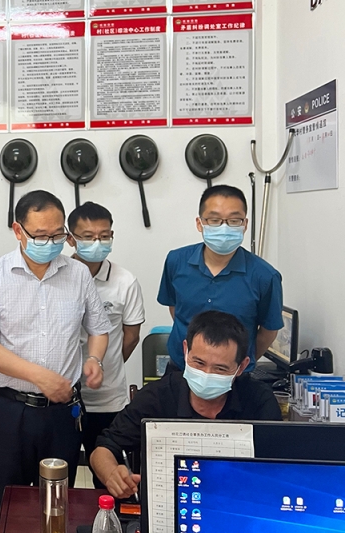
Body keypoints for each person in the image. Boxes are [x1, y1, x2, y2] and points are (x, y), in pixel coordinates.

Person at [0, 190, 113, 532]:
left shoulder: (78, 274)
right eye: (40, 236)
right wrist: (39, 376)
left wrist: (95, 358)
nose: (50, 243)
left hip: (62, 412)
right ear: (18, 231)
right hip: (9, 410)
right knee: (6, 504)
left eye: (57, 234)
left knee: (57, 506)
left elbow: (98, 329)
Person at [90, 310, 282, 499]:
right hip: (168, 501)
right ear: (185, 350)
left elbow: (280, 467)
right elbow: (102, 450)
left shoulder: (259, 401)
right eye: (198, 363)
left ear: (241, 367)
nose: (206, 374)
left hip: (237, 501)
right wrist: (112, 474)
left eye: (220, 369)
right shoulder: (157, 396)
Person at [158, 185, 283, 372]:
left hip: (234, 377)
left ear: (245, 224)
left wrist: (236, 366)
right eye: (214, 220)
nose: (224, 227)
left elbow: (268, 332)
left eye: (234, 220)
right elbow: (176, 309)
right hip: (180, 369)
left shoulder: (265, 276)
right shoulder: (176, 261)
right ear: (200, 223)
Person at [66, 202, 145, 489]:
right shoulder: (57, 276)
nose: (97, 243)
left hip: (108, 398)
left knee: (109, 480)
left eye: (104, 236)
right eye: (88, 237)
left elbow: (131, 336)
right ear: (70, 239)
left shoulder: (125, 281)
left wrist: (105, 365)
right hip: (63, 395)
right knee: (61, 475)